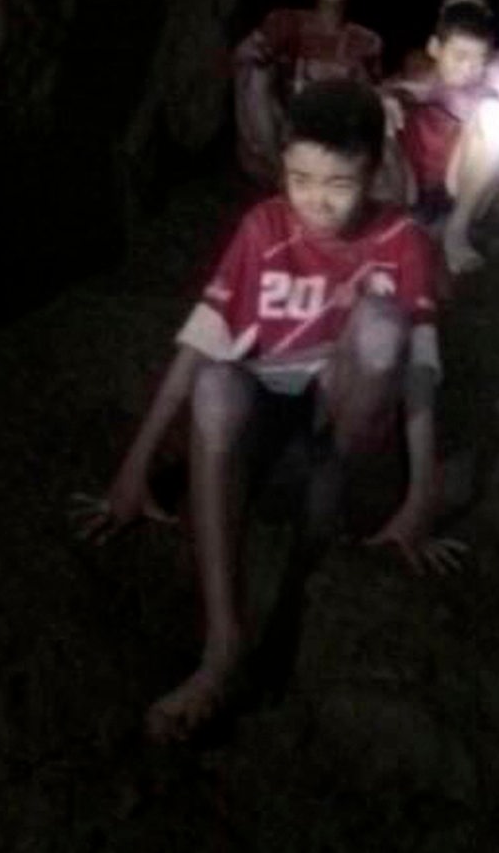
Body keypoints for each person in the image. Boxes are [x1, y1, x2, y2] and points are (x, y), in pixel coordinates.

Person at [74, 81, 458, 740]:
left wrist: (420, 496)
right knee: (217, 384)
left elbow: (420, 374)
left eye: (339, 182)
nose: (316, 200)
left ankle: (329, 503)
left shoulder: (403, 239)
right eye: (299, 178)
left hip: (346, 432)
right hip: (271, 422)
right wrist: (134, 468)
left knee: (381, 322)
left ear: (374, 172)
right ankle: (223, 645)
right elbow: (200, 347)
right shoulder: (264, 227)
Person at [384, 1, 499, 275]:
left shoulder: (484, 92)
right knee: (377, 117)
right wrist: (385, 99)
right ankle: (398, 232)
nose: (469, 69)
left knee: (496, 115)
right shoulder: (414, 83)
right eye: (460, 56)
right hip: (410, 189)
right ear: (435, 49)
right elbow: (402, 91)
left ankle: (456, 231)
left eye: (478, 60)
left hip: (460, 189)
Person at [234, 0, 382, 181]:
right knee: (255, 77)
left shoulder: (366, 40)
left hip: (335, 131)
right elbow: (242, 60)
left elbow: (371, 95)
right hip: (283, 130)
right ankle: (281, 173)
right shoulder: (285, 21)